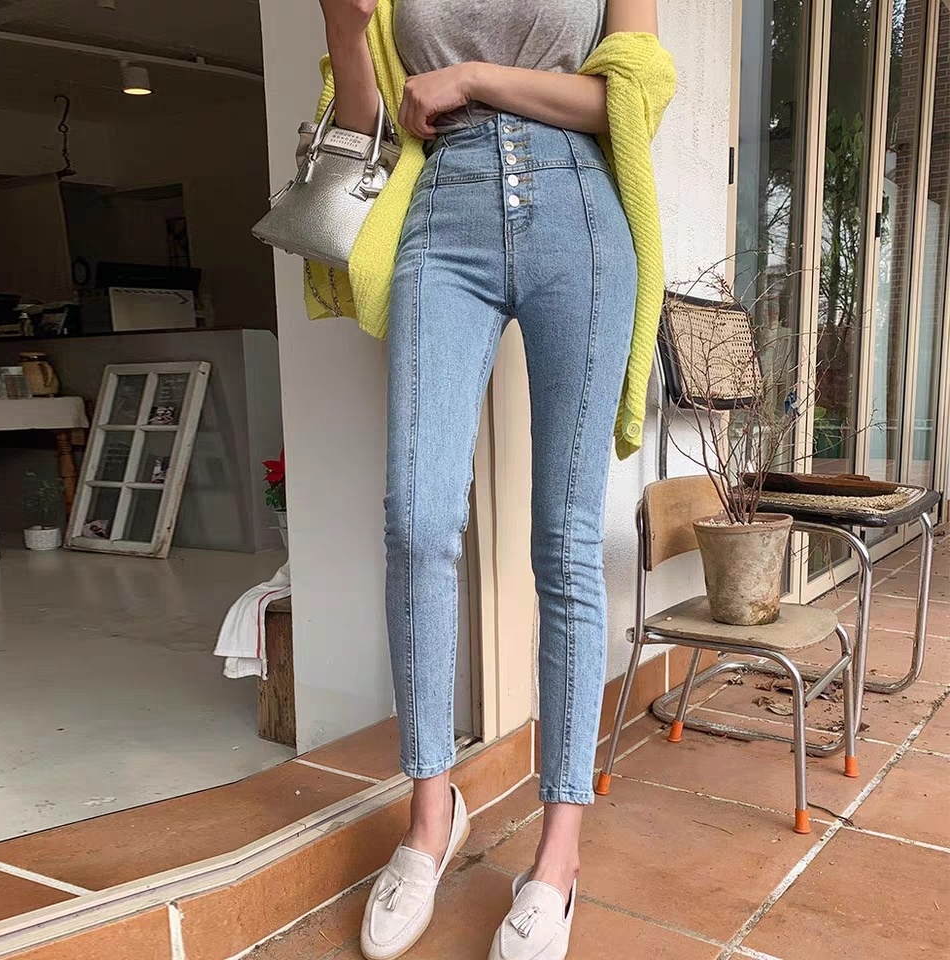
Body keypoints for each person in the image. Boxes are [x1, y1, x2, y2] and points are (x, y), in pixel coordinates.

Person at [308, 2, 673, 957]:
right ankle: (432, 812)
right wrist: (346, 30)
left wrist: (471, 79)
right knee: (417, 519)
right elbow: (370, 127)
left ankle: (559, 851)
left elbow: (628, 99)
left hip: (578, 211)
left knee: (565, 537)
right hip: (442, 213)